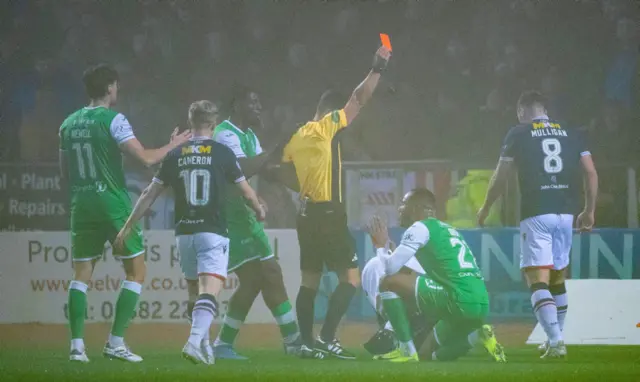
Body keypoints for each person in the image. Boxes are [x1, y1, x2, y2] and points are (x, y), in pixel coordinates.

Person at [114, 100, 265, 365]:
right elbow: (245, 189)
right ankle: (194, 341)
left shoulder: (176, 154)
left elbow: (150, 193)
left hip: (184, 233)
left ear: (190, 122)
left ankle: (204, 346)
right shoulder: (222, 153)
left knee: (194, 293)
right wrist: (259, 208)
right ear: (213, 124)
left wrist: (128, 226)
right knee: (210, 291)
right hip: (213, 230)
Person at [58, 63, 192, 363]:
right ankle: (115, 342)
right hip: (112, 203)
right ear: (109, 87)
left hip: (82, 203)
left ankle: (77, 347)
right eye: (115, 86)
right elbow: (146, 159)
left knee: (81, 275)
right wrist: (174, 144)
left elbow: (64, 172)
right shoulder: (113, 120)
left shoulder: (67, 124)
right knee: (136, 271)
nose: (117, 90)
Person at [280, 45, 391, 359]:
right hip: (329, 214)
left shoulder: (297, 135)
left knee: (309, 281)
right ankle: (327, 338)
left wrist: (304, 188)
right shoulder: (327, 127)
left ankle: (304, 342)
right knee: (350, 280)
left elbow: (283, 172)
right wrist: (377, 68)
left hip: (305, 215)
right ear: (330, 112)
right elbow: (358, 98)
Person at [477, 90, 598, 359]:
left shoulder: (519, 133)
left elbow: (501, 175)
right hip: (565, 214)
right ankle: (557, 338)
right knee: (557, 278)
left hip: (536, 213)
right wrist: (589, 210)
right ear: (545, 109)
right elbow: (590, 171)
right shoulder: (572, 132)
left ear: (522, 111)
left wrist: (486, 207)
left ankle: (555, 342)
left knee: (536, 278)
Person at [212, 86, 301, 359]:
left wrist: (303, 183)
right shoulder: (225, 134)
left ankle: (223, 345)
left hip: (244, 216)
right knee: (270, 273)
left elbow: (266, 168)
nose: (259, 107)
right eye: (253, 102)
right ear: (237, 104)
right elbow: (242, 168)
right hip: (232, 218)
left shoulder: (248, 135)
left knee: (253, 282)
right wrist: (277, 145)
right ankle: (294, 342)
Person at [367, 188, 505, 363]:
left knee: (387, 282)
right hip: (480, 303)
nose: (399, 208)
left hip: (456, 299)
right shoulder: (448, 229)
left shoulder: (419, 227)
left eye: (403, 203)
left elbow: (390, 269)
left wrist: (380, 246)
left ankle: (406, 350)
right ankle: (478, 336)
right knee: (426, 355)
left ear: (417, 208)